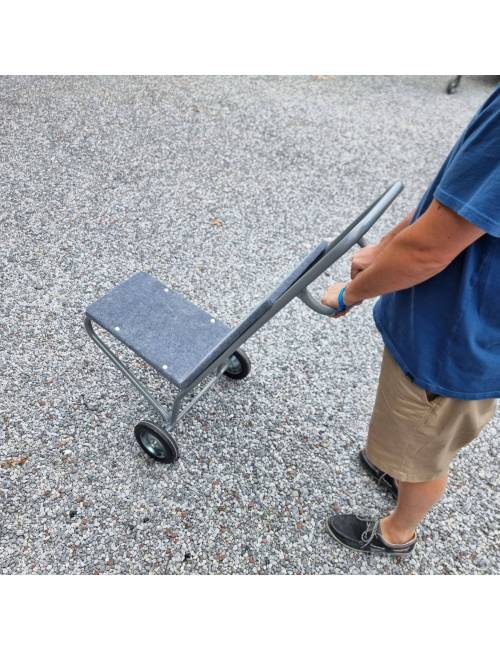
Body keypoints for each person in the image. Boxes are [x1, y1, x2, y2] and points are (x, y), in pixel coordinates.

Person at [321, 85, 500, 557]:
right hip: (456, 322)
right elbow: (449, 203)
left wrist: (350, 293)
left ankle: (397, 531)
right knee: (413, 434)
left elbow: (429, 249)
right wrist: (383, 249)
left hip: (455, 342)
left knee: (424, 454)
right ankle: (398, 466)